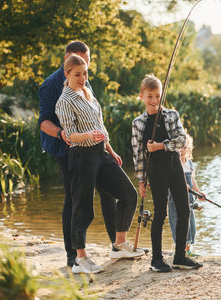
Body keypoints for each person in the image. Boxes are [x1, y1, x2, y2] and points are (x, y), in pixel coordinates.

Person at [56, 54, 144, 274]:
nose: (83, 78)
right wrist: (87, 135)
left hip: (101, 153)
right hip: (81, 157)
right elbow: (69, 134)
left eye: (85, 73)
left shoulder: (87, 92)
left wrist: (111, 151)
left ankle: (119, 245)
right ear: (67, 74)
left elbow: (100, 126)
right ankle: (80, 259)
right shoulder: (64, 101)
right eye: (77, 74)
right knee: (84, 209)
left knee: (128, 194)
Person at [38, 41, 119, 267]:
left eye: (86, 62)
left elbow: (95, 118)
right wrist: (63, 134)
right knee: (73, 199)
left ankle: (117, 245)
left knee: (108, 192)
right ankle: (73, 255)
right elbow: (43, 122)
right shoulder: (50, 85)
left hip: (94, 148)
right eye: (76, 60)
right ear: (66, 61)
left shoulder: (84, 78)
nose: (83, 70)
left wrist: (109, 147)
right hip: (65, 149)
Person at [132, 74, 203, 272]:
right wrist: (141, 180)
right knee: (161, 212)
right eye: (150, 96)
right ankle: (156, 259)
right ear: (142, 96)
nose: (154, 101)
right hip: (155, 171)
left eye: (158, 96)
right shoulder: (138, 123)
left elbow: (181, 141)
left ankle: (180, 256)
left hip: (174, 166)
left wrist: (161, 146)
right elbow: (138, 155)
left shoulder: (172, 115)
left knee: (184, 209)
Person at [168, 133, 204, 257]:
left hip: (189, 200)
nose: (181, 150)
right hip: (175, 200)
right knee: (178, 222)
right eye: (179, 147)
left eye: (184, 147)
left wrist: (199, 193)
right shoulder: (174, 163)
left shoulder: (189, 164)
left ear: (188, 149)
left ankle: (188, 249)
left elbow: (192, 181)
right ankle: (180, 249)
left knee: (191, 224)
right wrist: (181, 185)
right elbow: (171, 181)